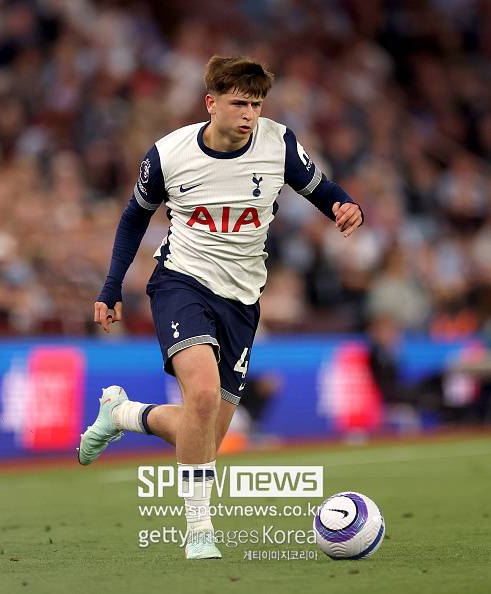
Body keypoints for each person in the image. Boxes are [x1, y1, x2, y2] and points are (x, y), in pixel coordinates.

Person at [78, 56, 363, 559]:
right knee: (204, 395)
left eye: (256, 104)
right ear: (210, 103)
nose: (249, 114)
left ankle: (121, 413)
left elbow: (322, 189)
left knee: (205, 433)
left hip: (243, 299)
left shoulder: (279, 144)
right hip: (181, 284)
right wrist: (111, 287)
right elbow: (133, 218)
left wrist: (345, 205)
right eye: (238, 104)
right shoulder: (169, 154)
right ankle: (199, 529)